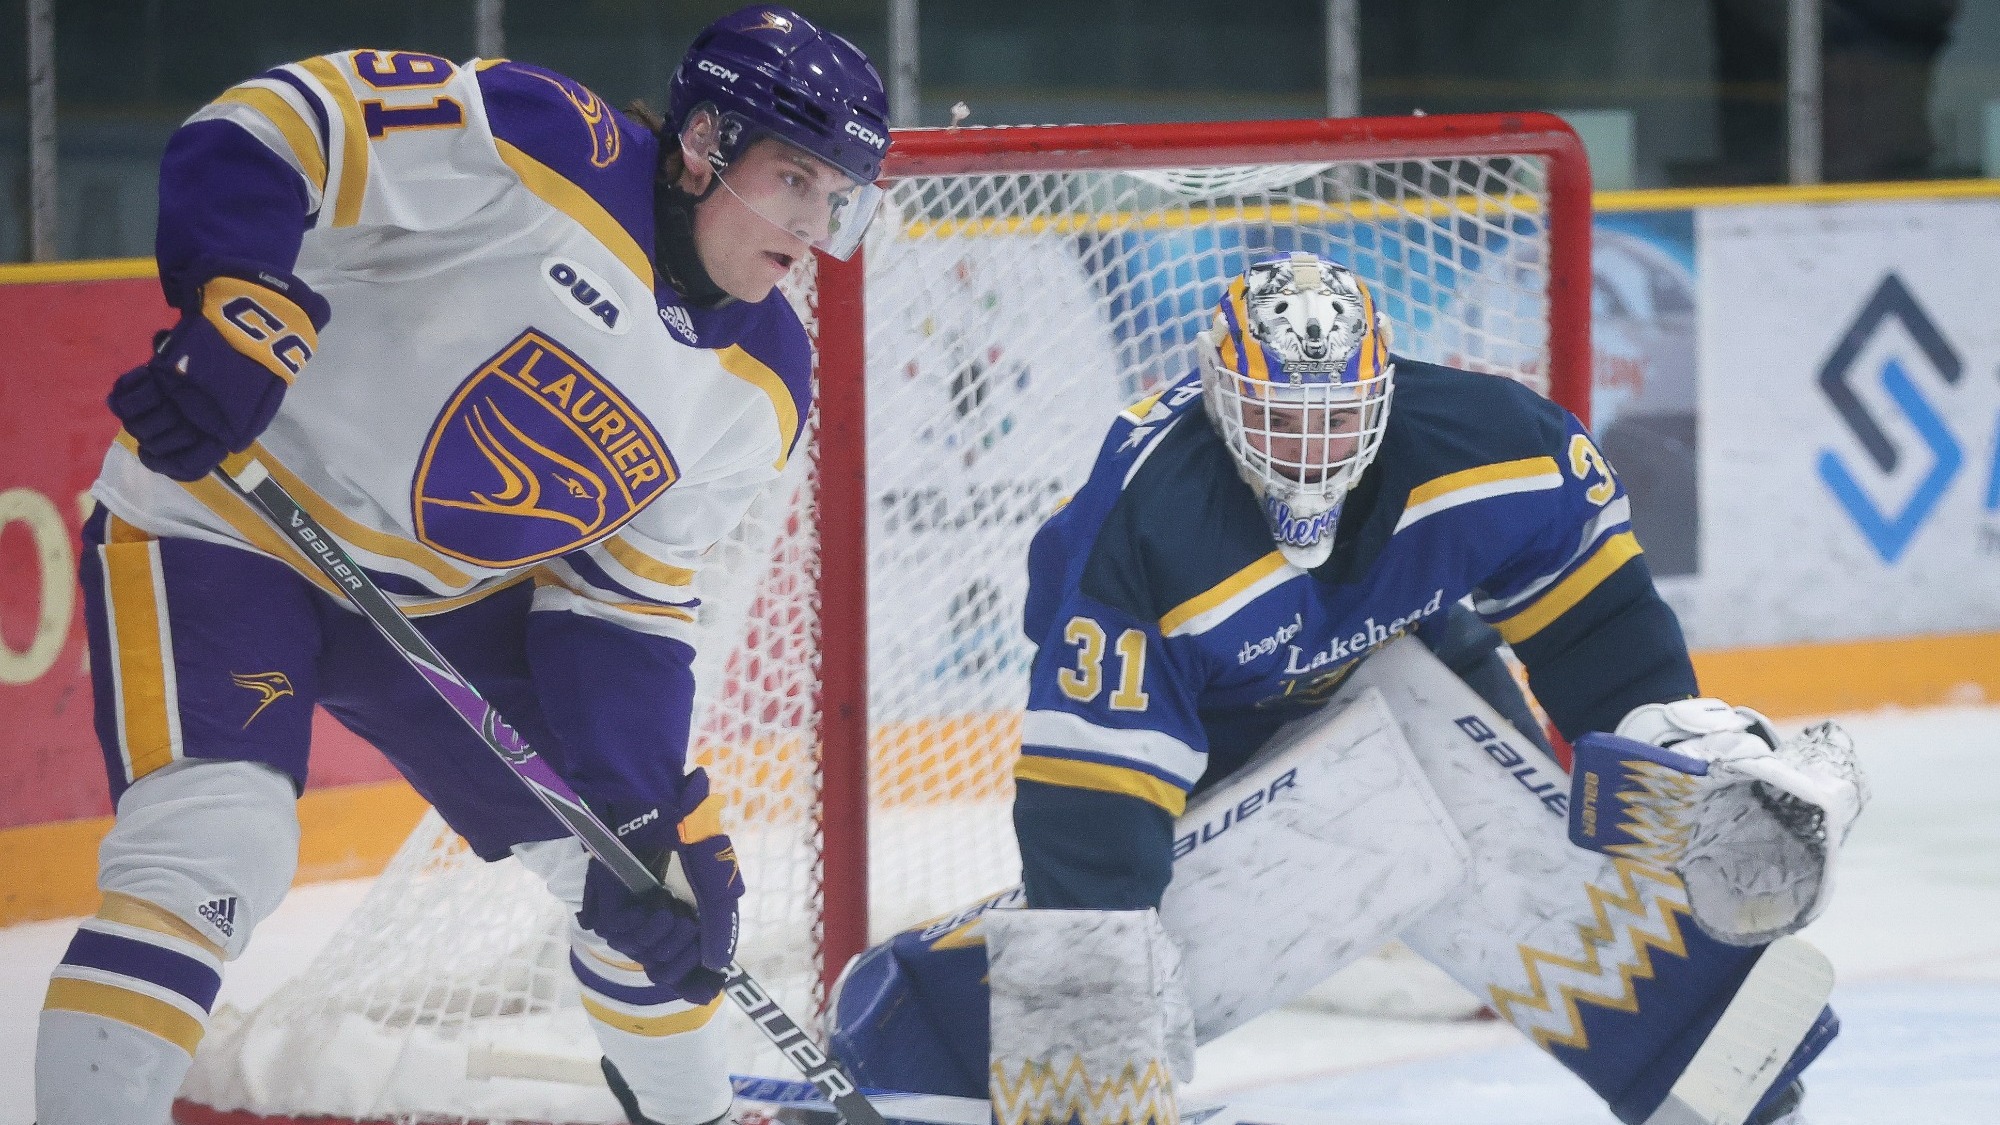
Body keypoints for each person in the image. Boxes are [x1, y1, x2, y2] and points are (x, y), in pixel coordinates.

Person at [34, 8, 888, 1125]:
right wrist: (237, 292)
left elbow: (622, 605)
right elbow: (274, 124)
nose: (812, 227)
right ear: (702, 143)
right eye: (793, 179)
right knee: (216, 850)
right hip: (226, 526)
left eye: (839, 198)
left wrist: (636, 805)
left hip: (448, 604)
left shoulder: (765, 381)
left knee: (655, 885)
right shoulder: (541, 145)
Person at [828, 254, 1865, 1125]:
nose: (1309, 448)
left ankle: (1702, 1048)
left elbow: (1593, 623)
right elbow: (1090, 798)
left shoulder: (1494, 446)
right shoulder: (1148, 531)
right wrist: (1088, 1033)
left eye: (1336, 418)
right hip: (1207, 723)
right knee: (1170, 916)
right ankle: (937, 1040)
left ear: (1385, 386)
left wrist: (1669, 741)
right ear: (1219, 393)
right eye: (1279, 417)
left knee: (1474, 811)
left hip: (1399, 647)